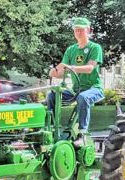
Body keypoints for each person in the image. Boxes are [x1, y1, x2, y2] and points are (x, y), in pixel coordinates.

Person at [48, 17, 104, 146]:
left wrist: (72, 67)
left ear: (88, 30)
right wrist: (54, 71)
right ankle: (52, 128)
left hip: (93, 88)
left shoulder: (95, 47)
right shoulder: (71, 50)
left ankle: (83, 133)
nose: (78, 32)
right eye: (75, 30)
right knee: (52, 95)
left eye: (81, 30)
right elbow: (62, 68)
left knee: (83, 98)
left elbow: (90, 68)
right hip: (76, 90)